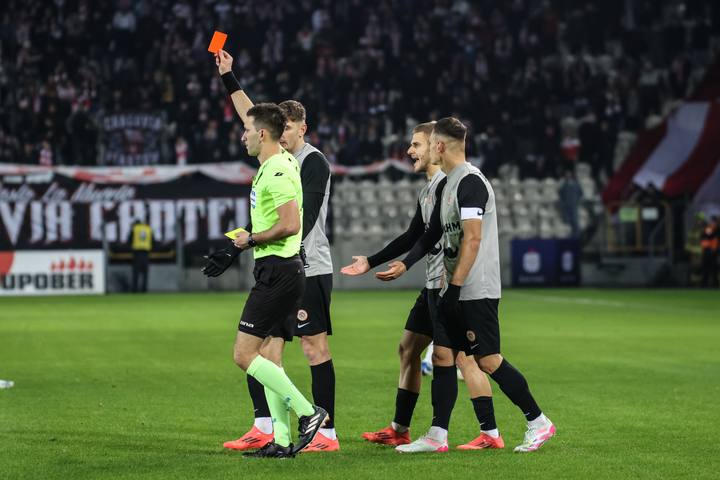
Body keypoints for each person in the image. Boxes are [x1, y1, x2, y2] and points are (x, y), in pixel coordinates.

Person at [387, 117, 556, 453]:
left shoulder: (471, 182)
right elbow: (431, 234)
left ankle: (539, 422)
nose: (419, 149)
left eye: (427, 143)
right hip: (453, 287)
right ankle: (437, 436)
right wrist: (405, 264)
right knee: (443, 357)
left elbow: (473, 238)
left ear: (439, 146)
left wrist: (456, 287)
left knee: (488, 360)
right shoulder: (447, 184)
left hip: (475, 287)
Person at [203, 50, 338, 452]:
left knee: (308, 347)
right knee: (268, 351)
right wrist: (228, 76)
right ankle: (274, 433)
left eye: (290, 127)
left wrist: (249, 241)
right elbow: (251, 115)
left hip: (301, 263)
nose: (285, 132)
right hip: (282, 262)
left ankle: (322, 426)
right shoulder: (279, 159)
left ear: (298, 129)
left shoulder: (301, 163)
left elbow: (299, 221)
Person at [341, 122, 503, 452]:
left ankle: (487, 432)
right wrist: (372, 261)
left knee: (462, 358)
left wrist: (422, 271)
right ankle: (400, 428)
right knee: (409, 348)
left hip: (446, 284)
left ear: (434, 146)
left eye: (416, 145)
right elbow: (414, 235)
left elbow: (449, 238)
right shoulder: (429, 189)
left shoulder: (450, 184)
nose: (409, 151)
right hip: (432, 285)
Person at [559, 170, 583, 238]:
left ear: (571, 175)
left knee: (575, 220)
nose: (568, 176)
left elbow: (581, 193)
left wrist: (576, 200)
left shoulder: (576, 184)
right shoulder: (564, 184)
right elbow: (560, 193)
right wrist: (564, 202)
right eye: (566, 174)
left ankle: (577, 235)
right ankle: (569, 235)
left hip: (574, 205)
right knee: (567, 221)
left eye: (569, 174)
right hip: (566, 205)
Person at [129, 220, 152, 292]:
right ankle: (144, 289)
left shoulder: (134, 229)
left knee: (136, 273)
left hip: (137, 253)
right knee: (145, 273)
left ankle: (134, 289)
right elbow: (153, 241)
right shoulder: (148, 229)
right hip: (146, 253)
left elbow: (129, 240)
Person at [700, 216, 719, 287]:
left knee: (714, 268)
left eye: (715, 222)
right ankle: (704, 283)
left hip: (714, 252)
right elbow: (705, 239)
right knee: (706, 268)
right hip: (707, 251)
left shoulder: (717, 230)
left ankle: (715, 283)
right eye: (713, 222)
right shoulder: (709, 229)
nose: (714, 223)